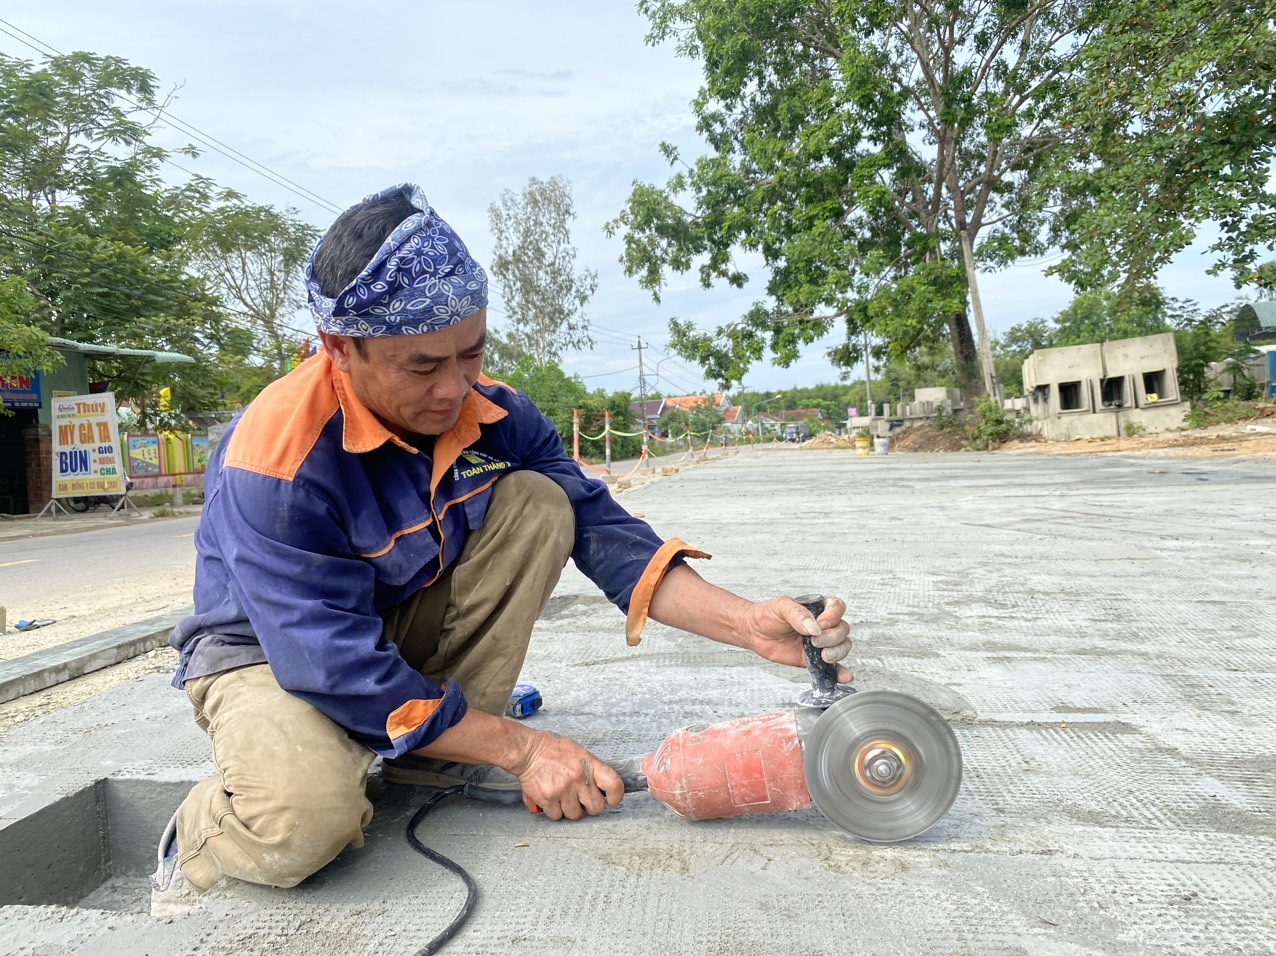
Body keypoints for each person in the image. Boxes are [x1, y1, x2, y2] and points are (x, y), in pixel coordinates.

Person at [150, 183, 852, 915]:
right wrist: (523, 751)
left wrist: (748, 625)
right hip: (267, 655)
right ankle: (201, 833)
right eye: (422, 366)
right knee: (305, 821)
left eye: (472, 353)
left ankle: (428, 755)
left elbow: (602, 530)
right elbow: (333, 664)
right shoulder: (276, 463)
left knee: (542, 503)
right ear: (340, 349)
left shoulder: (496, 410)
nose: (455, 388)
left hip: (383, 622)